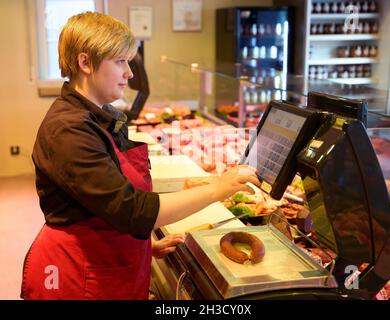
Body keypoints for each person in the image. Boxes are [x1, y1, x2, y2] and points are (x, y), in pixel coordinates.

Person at [21, 12, 260, 300]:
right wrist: (217, 188)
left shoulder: (100, 114)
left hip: (107, 260)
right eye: (120, 61)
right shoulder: (68, 130)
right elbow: (132, 210)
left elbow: (103, 201)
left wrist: (143, 247)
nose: (130, 73)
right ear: (85, 62)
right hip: (79, 275)